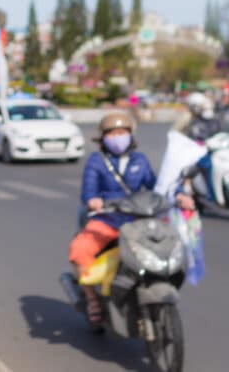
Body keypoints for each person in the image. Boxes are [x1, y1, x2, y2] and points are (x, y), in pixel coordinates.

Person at [69, 111, 194, 326]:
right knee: (79, 250)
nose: (118, 137)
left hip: (138, 221)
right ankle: (92, 300)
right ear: (103, 137)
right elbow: (88, 193)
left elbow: (159, 186)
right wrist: (94, 201)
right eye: (113, 133)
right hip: (107, 220)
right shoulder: (96, 161)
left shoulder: (140, 160)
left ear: (131, 135)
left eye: (122, 132)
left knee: (167, 245)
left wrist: (180, 195)